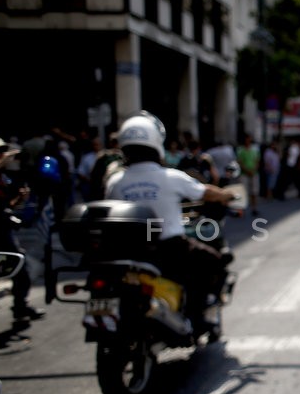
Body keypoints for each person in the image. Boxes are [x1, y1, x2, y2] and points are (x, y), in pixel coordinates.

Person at [105, 112, 235, 335]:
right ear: (156, 143)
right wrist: (227, 195)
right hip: (170, 247)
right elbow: (205, 192)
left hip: (129, 251)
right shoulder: (171, 177)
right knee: (215, 261)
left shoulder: (115, 182)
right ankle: (198, 316)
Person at [0, 136, 46, 333]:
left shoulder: (2, 177)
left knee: (20, 268)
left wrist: (19, 199)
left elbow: (5, 204)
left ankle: (20, 307)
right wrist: (0, 162)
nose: (0, 154)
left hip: (2, 230)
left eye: (2, 150)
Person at [236, 133, 260, 215]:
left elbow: (257, 160)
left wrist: (253, 170)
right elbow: (240, 162)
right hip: (244, 173)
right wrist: (247, 170)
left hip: (254, 173)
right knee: (244, 192)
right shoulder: (240, 150)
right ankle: (242, 209)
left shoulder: (254, 149)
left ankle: (254, 208)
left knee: (254, 192)